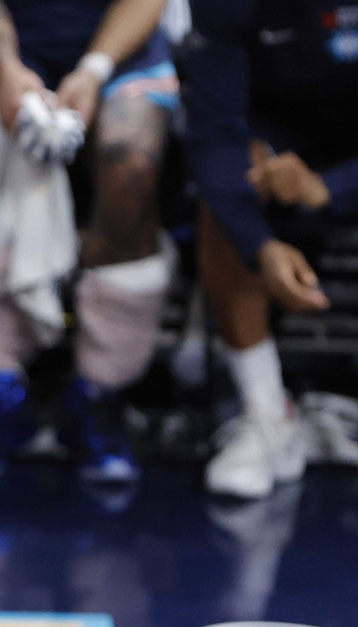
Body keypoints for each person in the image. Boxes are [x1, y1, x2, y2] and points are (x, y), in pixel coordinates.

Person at [0, 0, 178, 484]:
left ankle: (100, 392)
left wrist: (92, 70)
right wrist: (5, 63)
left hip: (118, 52)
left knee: (132, 162)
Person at [182, 0, 358, 499]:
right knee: (227, 190)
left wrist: (332, 187)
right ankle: (265, 416)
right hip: (274, 145)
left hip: (341, 160)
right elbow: (213, 131)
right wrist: (259, 247)